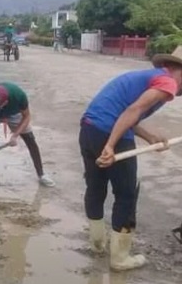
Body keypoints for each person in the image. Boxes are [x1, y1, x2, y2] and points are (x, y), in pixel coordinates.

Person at [80, 46, 182, 271]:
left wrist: (149, 137)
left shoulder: (151, 77)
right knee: (126, 194)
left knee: (95, 187)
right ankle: (120, 259)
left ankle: (97, 243)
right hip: (109, 133)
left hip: (89, 128)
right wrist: (110, 145)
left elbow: (125, 112)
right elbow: (132, 111)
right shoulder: (168, 83)